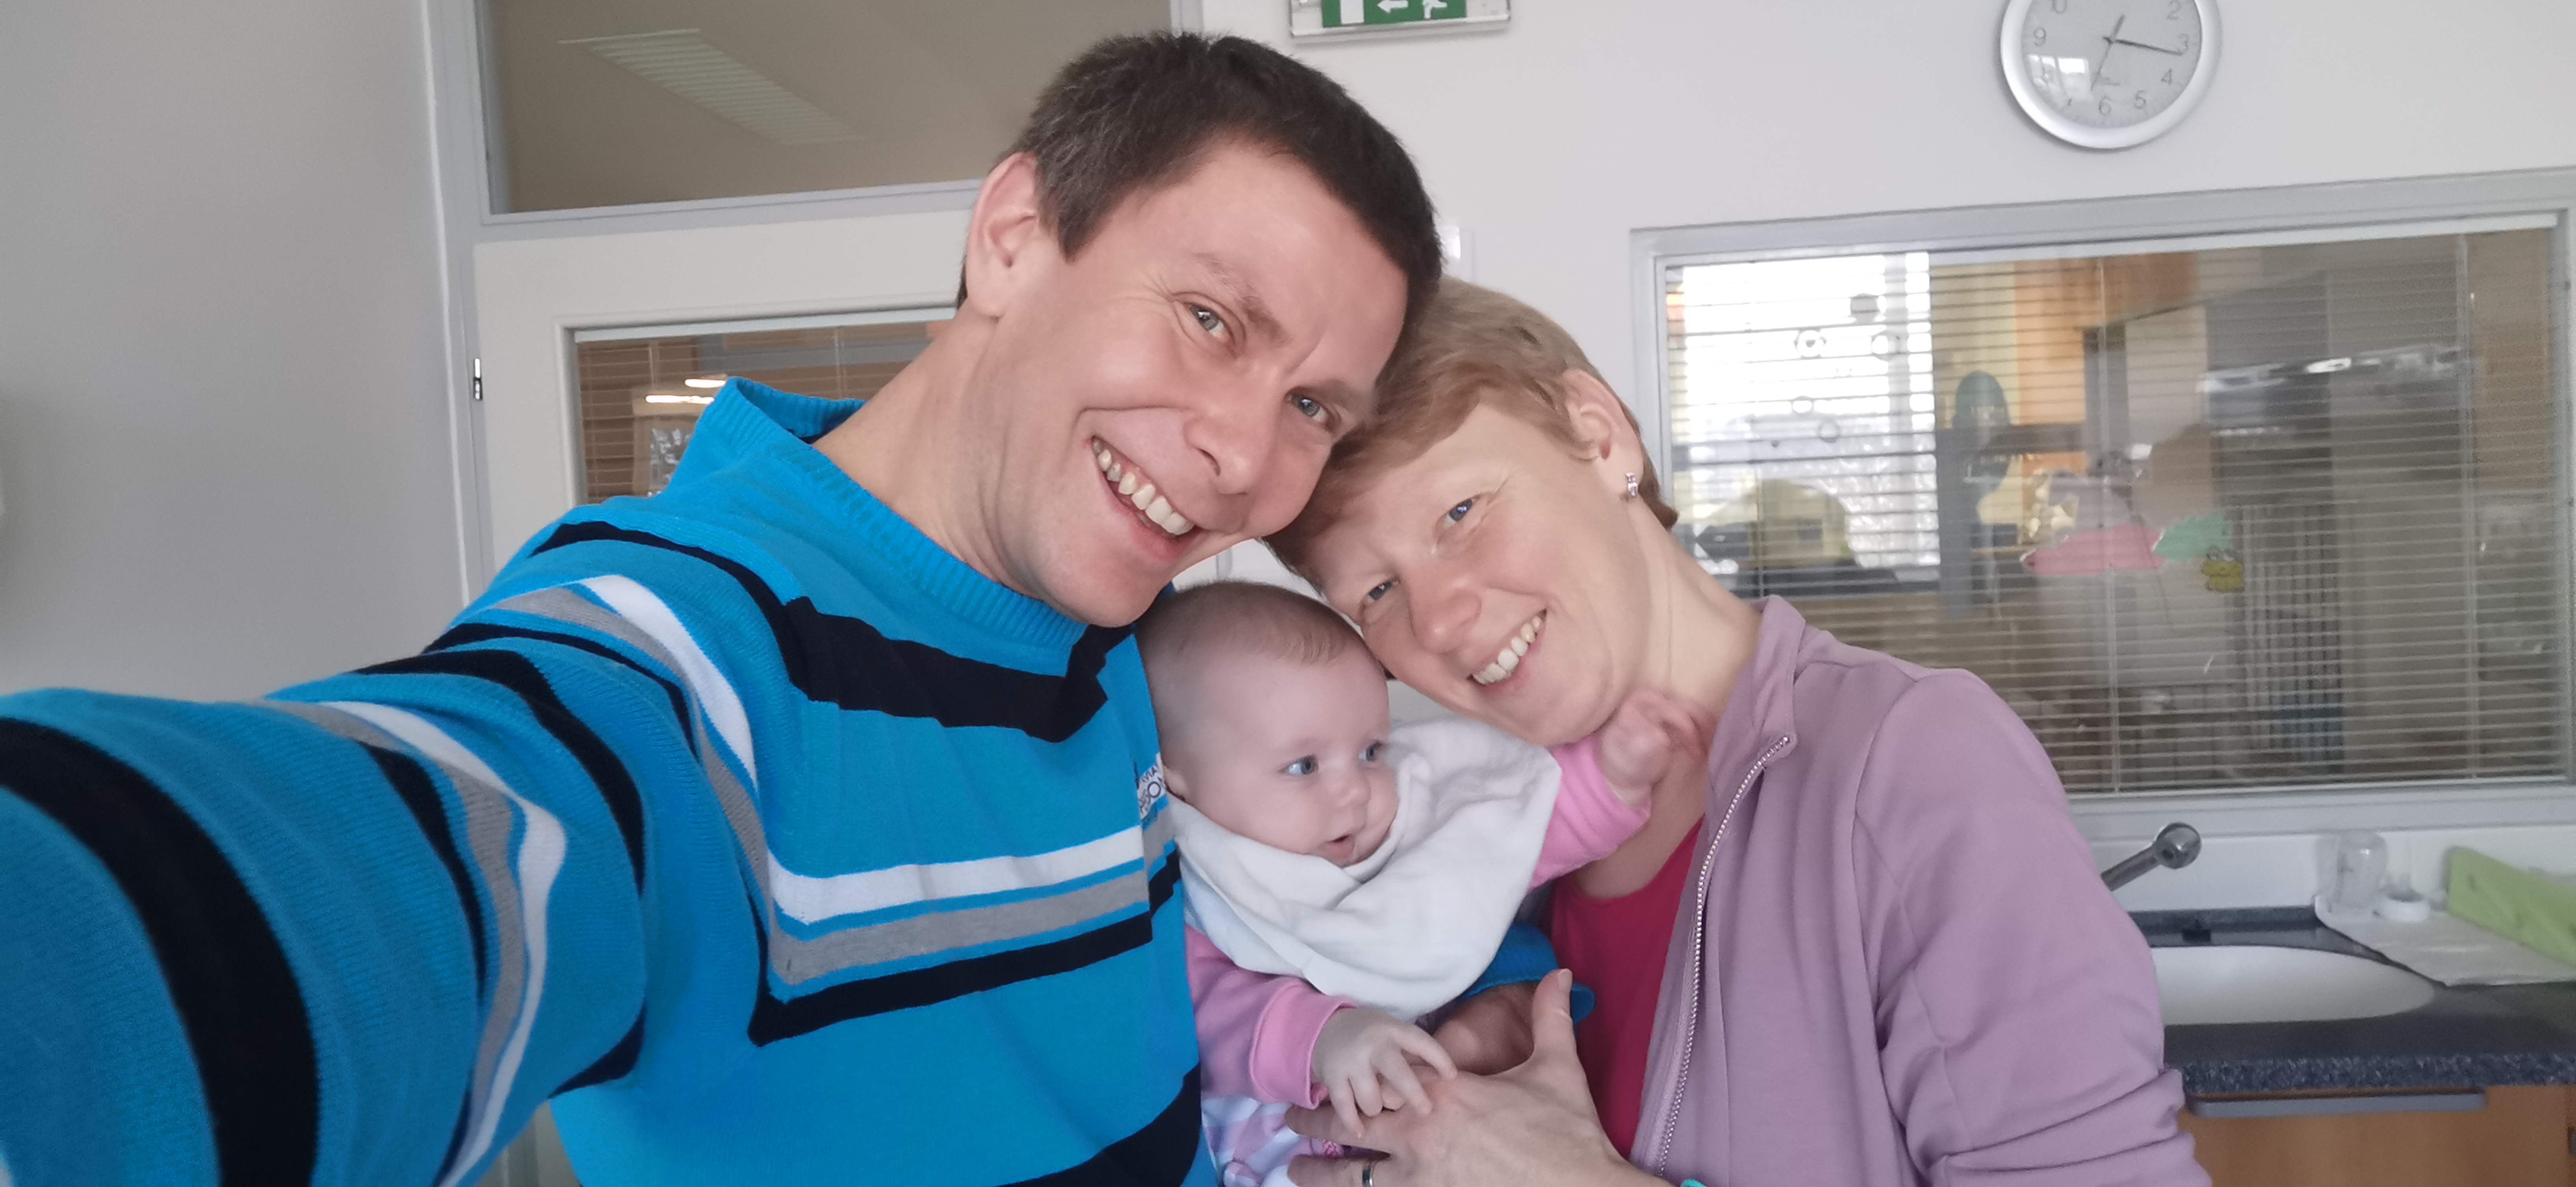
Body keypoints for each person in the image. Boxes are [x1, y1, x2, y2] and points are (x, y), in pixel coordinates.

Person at [0, 34, 1450, 1187]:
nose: (1244, 459)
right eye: (1209, 319)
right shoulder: (686, 661)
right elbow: (374, 865)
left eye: (1312, 407)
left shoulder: (1121, 634)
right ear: (1013, 235)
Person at [1262, 279, 2208, 1186]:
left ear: (1598, 434)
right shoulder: (1472, 828)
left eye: (1461, 513)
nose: (1438, 621)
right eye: (1376, 593)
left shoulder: (1915, 762)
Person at [1131, 580, 1699, 1187]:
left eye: (1371, 751)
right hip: (1290, 1157)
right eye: (1304, 766)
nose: (1355, 791)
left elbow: (1515, 837)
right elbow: (1206, 1011)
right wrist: (1322, 1035)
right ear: (1177, 780)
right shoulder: (1198, 892)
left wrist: (1612, 777)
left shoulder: (1404, 822)